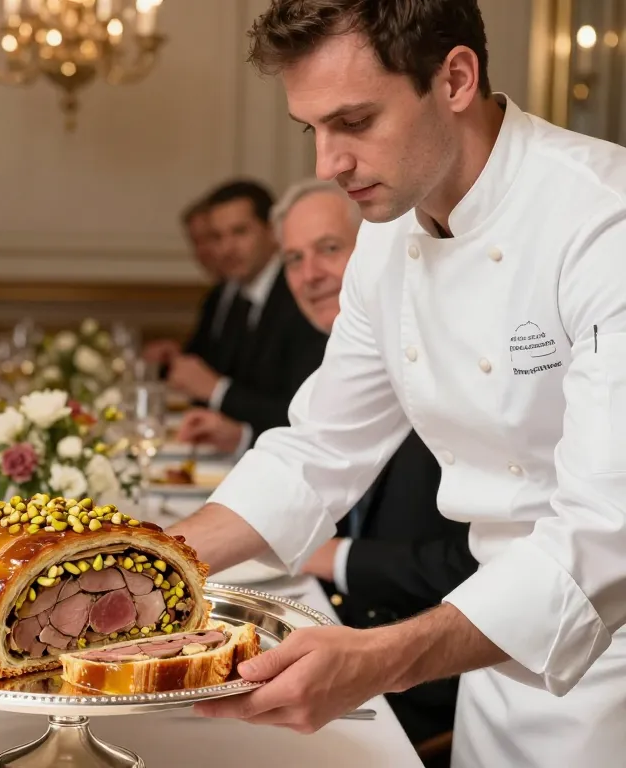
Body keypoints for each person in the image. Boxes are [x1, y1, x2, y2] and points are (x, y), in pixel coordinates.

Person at [170, 2, 626, 765]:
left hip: (609, 666)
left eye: (354, 121)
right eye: (310, 129)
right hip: (486, 647)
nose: (327, 164)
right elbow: (316, 451)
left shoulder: (602, 221)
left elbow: (605, 536)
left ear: (454, 77)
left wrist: (380, 657)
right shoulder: (387, 238)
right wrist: (142, 559)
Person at [184, 179, 475, 750]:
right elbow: (310, 457)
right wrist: (144, 559)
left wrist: (333, 555)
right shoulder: (350, 355)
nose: (308, 273)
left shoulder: (443, 368)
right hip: (347, 637)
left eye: (329, 249)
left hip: (430, 679)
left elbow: (473, 564)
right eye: (294, 258)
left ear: (376, 251)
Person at [166, 180, 326, 427]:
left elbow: (303, 413)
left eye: (240, 232)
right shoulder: (236, 294)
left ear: (273, 232)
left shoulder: (303, 293)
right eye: (217, 237)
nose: (226, 248)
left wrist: (218, 391)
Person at [143, 197, 235, 368]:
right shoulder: (217, 296)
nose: (202, 251)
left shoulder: (250, 297)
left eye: (210, 238)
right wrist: (173, 357)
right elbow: (202, 362)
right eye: (195, 242)